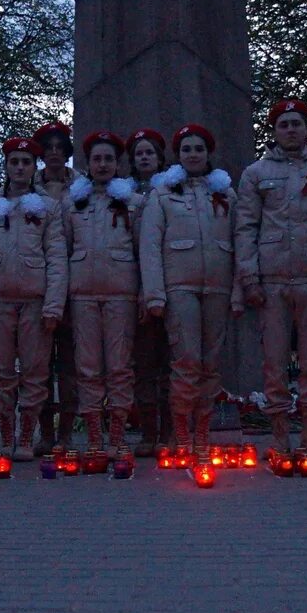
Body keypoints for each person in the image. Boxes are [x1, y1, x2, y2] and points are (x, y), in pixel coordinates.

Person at [235, 100, 307, 454]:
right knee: (274, 361)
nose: (290, 130)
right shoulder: (255, 173)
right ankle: (280, 434)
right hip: (272, 280)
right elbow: (246, 228)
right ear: (273, 131)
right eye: (283, 124)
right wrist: (249, 277)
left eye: (296, 123)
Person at [140, 124, 241, 451]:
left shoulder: (226, 193)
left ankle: (203, 431)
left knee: (211, 363)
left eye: (198, 149)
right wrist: (155, 293)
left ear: (208, 154)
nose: (193, 154)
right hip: (179, 287)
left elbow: (241, 242)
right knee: (185, 360)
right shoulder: (163, 194)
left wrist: (239, 289)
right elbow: (150, 246)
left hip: (218, 287)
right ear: (178, 156)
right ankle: (182, 432)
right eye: (187, 150)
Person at [0, 137, 68, 461]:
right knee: (0, 372)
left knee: (36, 372)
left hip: (35, 302)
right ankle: (7, 436)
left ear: (33, 166)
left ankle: (27, 437)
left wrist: (54, 305)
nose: (20, 167)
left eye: (26, 161)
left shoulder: (48, 208)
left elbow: (56, 259)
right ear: (6, 166)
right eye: (15, 162)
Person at [64, 130, 143, 455]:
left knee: (120, 367)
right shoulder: (71, 204)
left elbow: (144, 252)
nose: (102, 164)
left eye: (108, 158)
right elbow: (62, 251)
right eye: (97, 159)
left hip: (121, 294)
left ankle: (117, 435)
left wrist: (143, 294)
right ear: (87, 163)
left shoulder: (134, 203)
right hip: (82, 295)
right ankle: (95, 436)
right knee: (87, 367)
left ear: (118, 163)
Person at [32, 121, 79, 451]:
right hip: (38, 282)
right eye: (48, 149)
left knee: (70, 366)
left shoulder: (83, 190)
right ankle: (44, 431)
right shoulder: (24, 191)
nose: (54, 154)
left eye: (59, 148)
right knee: (39, 364)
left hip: (75, 282)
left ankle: (65, 434)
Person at [126, 127, 172, 455]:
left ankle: (170, 431)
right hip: (130, 285)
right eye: (139, 153)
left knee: (169, 362)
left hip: (168, 283)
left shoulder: (172, 191)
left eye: (149, 153)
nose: (144, 158)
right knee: (142, 364)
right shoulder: (121, 195)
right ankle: (147, 432)